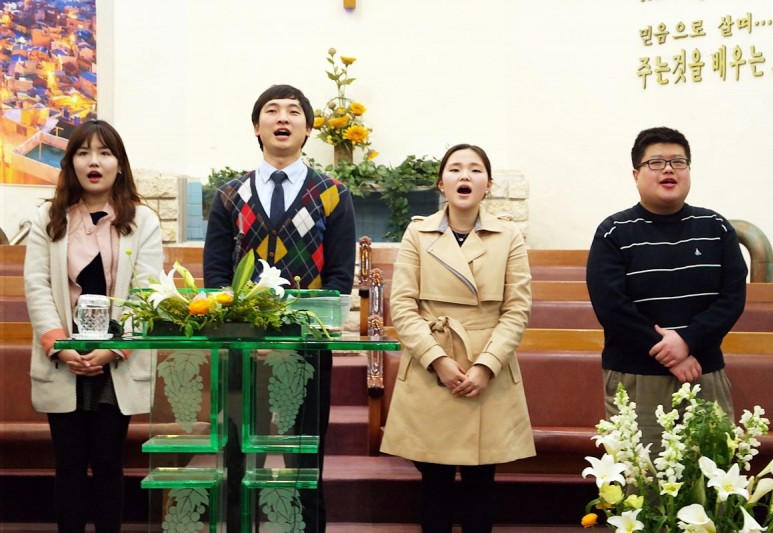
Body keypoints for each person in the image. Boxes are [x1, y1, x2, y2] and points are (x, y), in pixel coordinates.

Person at [203, 84, 356, 532]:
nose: (282, 118)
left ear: (308, 130)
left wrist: (292, 337)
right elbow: (215, 277)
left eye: (293, 112)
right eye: (272, 111)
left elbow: (339, 280)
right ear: (257, 127)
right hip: (240, 351)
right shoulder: (230, 196)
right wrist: (245, 334)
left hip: (305, 353)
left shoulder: (333, 194)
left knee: (303, 463)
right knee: (236, 458)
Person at [380, 144, 535, 533]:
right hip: (431, 365)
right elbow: (402, 306)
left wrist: (486, 366)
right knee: (434, 482)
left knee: (482, 483)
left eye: (475, 170)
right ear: (441, 183)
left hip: (488, 368)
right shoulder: (417, 232)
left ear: (488, 184)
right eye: (455, 169)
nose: (465, 176)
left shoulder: (509, 236)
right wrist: (438, 361)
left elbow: (517, 310)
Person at [24, 119, 163, 533]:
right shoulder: (48, 217)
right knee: (68, 464)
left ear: (119, 163)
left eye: (104, 153)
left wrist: (113, 349)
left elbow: (147, 293)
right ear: (71, 163)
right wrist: (61, 346)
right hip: (63, 358)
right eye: (83, 153)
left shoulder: (142, 220)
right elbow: (37, 286)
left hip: (114, 362)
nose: (94, 162)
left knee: (107, 463)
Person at [586, 126, 748, 452]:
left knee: (712, 473)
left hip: (702, 371)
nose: (669, 169)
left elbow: (732, 298)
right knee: (641, 474)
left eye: (678, 162)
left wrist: (687, 341)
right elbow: (611, 306)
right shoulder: (613, 232)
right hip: (635, 378)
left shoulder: (716, 228)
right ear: (636, 174)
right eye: (656, 162)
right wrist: (667, 351)